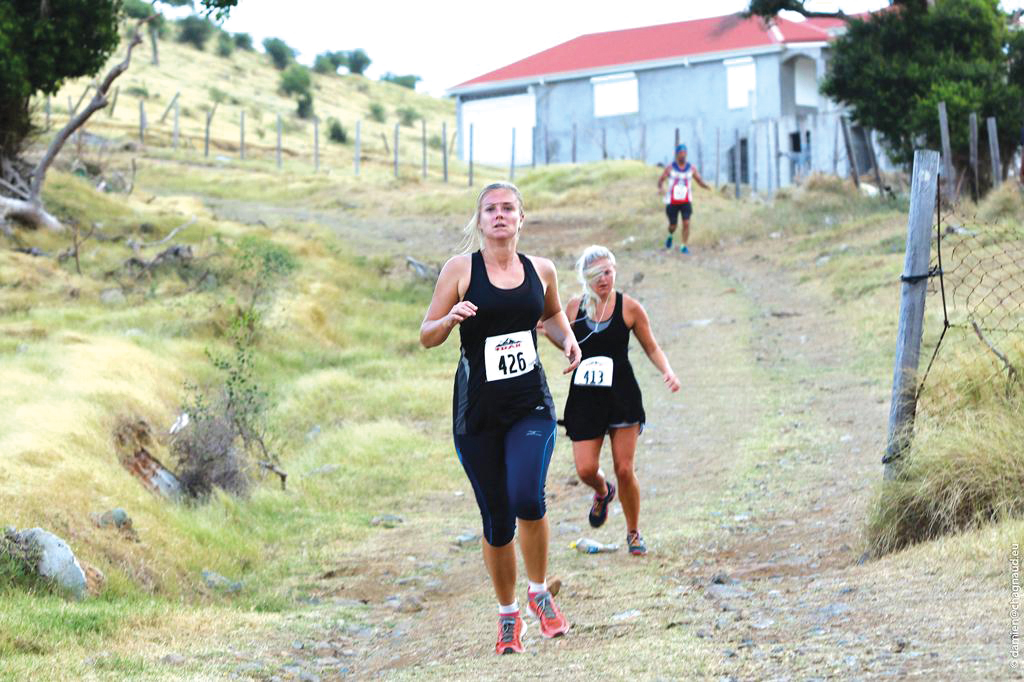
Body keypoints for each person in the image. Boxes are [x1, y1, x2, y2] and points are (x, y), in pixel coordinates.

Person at [419, 181, 582, 655]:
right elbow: (426, 334)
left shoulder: (541, 269)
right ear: (479, 219)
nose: (499, 215)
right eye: (490, 209)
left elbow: (551, 318)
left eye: (508, 208)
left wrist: (567, 340)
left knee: (527, 495)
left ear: (521, 218)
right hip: (477, 414)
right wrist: (449, 320)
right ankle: (508, 616)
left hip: (530, 404)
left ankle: (539, 595)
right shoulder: (460, 270)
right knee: (496, 521)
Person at [555, 245, 679, 555]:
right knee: (585, 469)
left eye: (608, 272)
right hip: (584, 398)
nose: (604, 279)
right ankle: (602, 491)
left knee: (625, 469)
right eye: (597, 274)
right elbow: (565, 343)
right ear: (586, 277)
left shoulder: (629, 308)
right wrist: (547, 332)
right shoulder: (572, 309)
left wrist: (667, 371)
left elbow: (651, 346)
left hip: (622, 396)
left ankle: (634, 532)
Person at [657, 143, 710, 254]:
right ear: (677, 155)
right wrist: (660, 188)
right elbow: (661, 179)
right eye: (681, 153)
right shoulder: (670, 168)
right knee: (673, 225)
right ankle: (670, 235)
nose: (683, 155)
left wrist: (706, 186)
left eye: (684, 153)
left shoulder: (691, 168)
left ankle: (683, 246)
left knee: (686, 223)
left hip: (686, 201)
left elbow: (699, 180)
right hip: (672, 201)